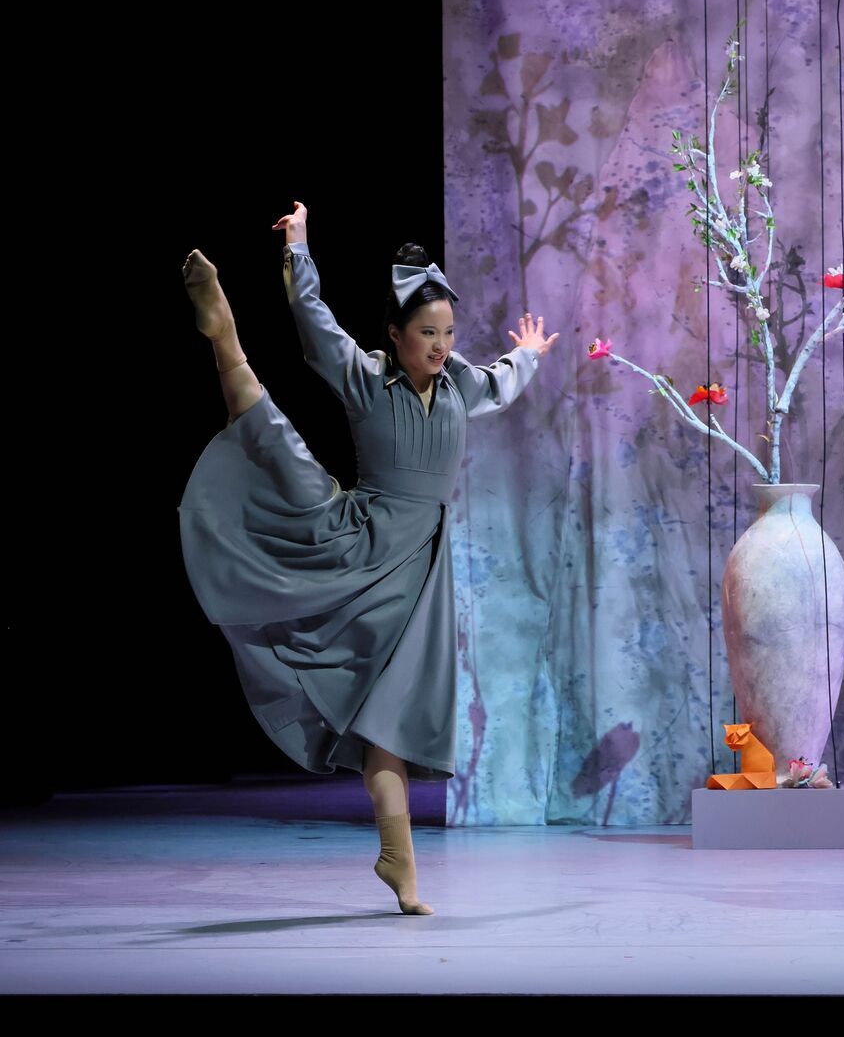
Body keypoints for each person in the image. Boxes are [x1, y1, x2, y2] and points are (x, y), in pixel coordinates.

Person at [179, 202, 559, 914]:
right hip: (359, 539)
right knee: (269, 438)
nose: (441, 345)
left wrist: (531, 354)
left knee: (392, 718)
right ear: (395, 334)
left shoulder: (460, 386)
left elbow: (502, 380)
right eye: (426, 333)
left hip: (418, 572)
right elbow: (314, 323)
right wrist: (298, 248)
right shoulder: (367, 378)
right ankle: (225, 338)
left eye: (448, 333)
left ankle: (398, 860)